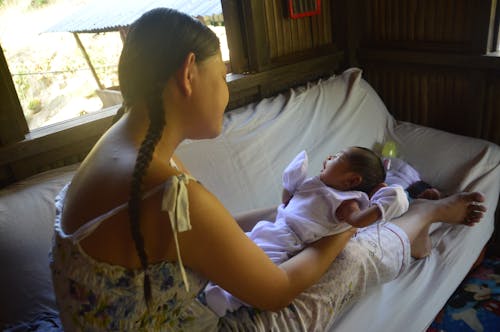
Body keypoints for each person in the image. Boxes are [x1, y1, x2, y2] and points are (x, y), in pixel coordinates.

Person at [49, 7, 487, 331]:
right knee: (352, 258)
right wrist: (343, 231)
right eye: (220, 77)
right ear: (188, 74)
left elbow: (204, 237)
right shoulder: (170, 194)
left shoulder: (116, 150)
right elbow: (276, 290)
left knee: (287, 225)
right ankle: (426, 214)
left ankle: (418, 219)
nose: (225, 93)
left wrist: (295, 212)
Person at [204, 147, 410, 316]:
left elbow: (357, 221)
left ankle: (227, 299)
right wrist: (290, 183)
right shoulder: (315, 184)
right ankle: (214, 276)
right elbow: (287, 202)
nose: (329, 157)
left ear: (351, 181)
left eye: (337, 156)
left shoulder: (346, 201)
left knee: (258, 269)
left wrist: (381, 207)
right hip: (272, 227)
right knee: (240, 249)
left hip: (289, 242)